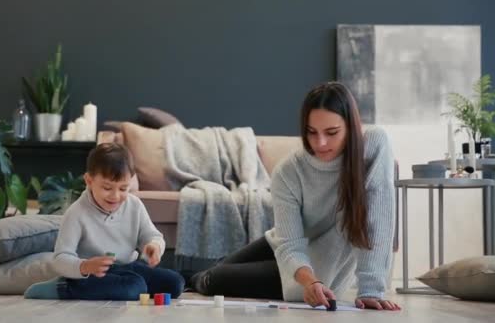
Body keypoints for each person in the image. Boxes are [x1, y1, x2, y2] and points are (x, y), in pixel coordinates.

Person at [191, 81, 401, 310]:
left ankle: (192, 279)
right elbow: (290, 243)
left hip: (320, 268)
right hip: (287, 247)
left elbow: (378, 219)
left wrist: (370, 289)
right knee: (216, 270)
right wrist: (308, 280)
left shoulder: (374, 145)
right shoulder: (288, 171)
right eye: (312, 132)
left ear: (350, 127)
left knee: (214, 280)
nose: (320, 143)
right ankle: (187, 278)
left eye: (331, 133)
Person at [25, 143, 184, 300]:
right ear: (89, 180)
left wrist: (154, 246)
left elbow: (152, 236)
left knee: (175, 283)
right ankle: (63, 288)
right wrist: (84, 266)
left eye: (123, 189)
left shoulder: (134, 205)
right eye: (107, 188)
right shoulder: (76, 213)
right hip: (93, 274)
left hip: (128, 268)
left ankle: (128, 287)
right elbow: (60, 258)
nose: (115, 196)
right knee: (135, 287)